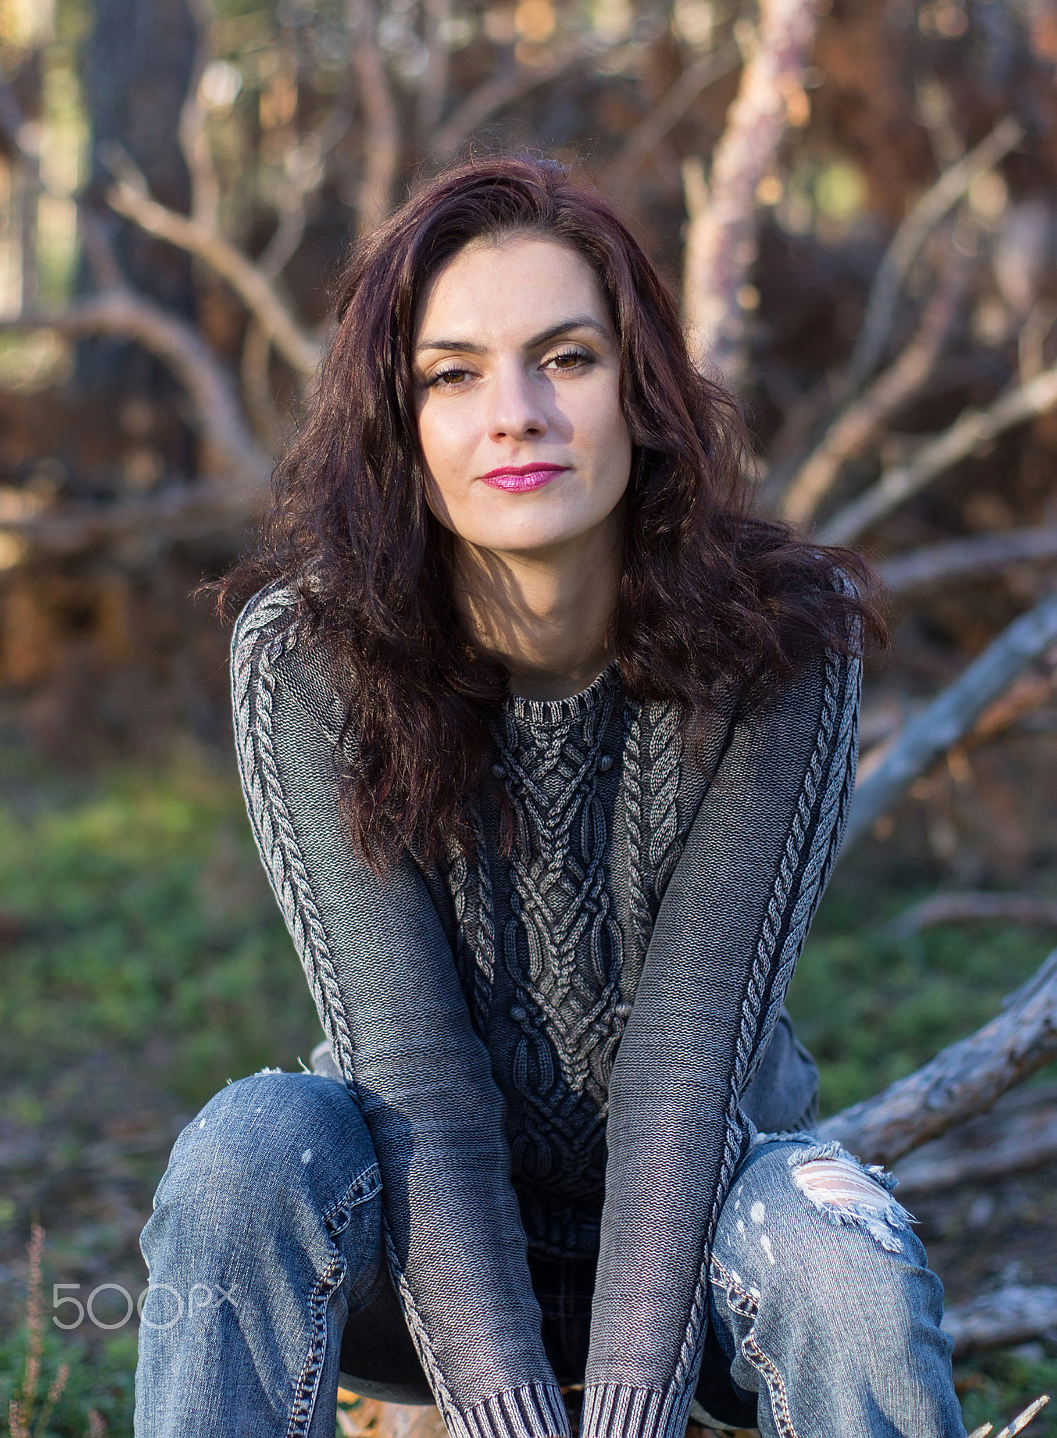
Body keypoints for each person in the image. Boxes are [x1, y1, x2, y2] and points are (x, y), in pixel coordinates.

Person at [134, 156, 965, 1438]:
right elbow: (409, 1067)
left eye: (565, 357)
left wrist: (624, 1409)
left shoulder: (779, 646)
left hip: (697, 1246)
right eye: (452, 374)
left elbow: (690, 1057)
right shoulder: (310, 657)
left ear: (639, 391)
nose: (513, 413)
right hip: (414, 1254)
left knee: (834, 1248)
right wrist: (515, 1413)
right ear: (398, 422)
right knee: (250, 1148)